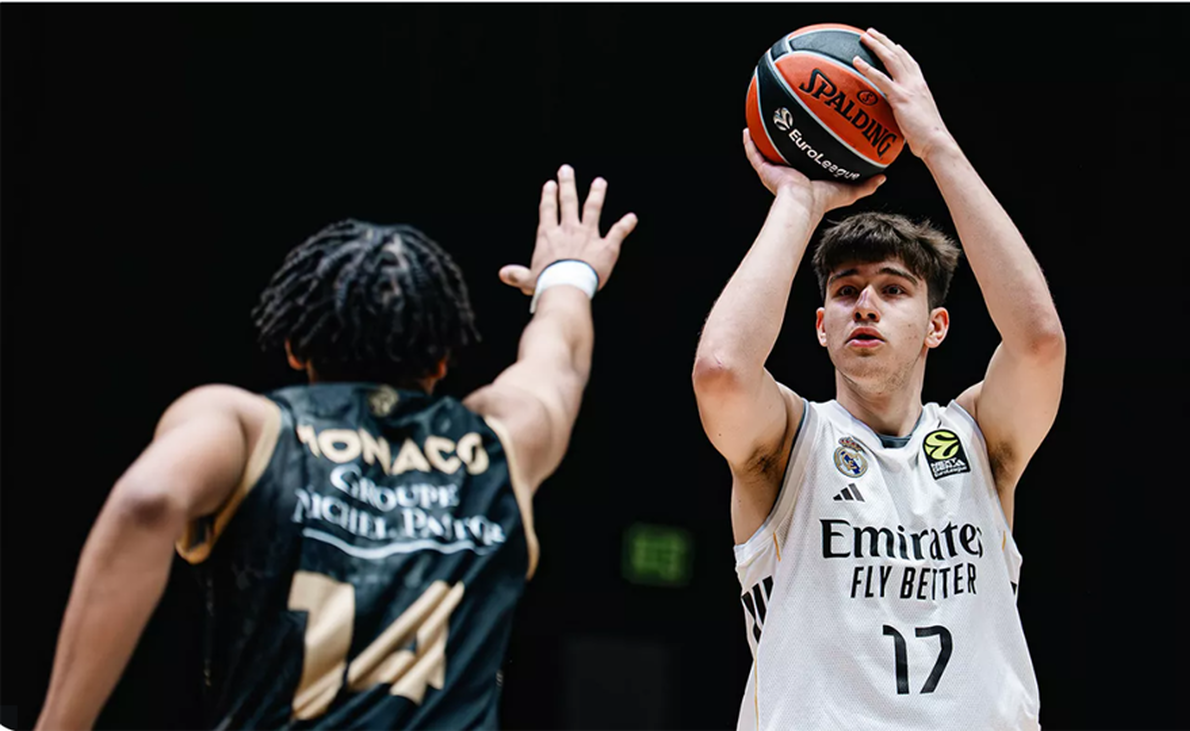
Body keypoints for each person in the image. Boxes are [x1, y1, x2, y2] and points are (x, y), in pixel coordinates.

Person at [35, 165, 637, 731]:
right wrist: (566, 275)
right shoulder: (503, 439)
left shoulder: (243, 429)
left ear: (295, 346)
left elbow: (145, 500)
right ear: (443, 359)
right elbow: (559, 357)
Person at [692, 28, 1064, 730]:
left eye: (893, 290)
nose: (865, 303)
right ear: (820, 326)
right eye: (845, 291)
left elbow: (1040, 342)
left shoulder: (980, 440)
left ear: (936, 327)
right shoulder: (790, 445)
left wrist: (937, 146)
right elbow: (721, 371)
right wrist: (798, 202)